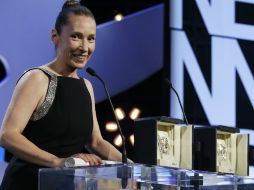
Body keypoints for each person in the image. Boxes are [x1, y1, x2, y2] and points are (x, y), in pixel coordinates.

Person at [0, 1, 127, 189]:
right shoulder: (37, 78)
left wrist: (131, 166)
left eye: (91, 38)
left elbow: (96, 142)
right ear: (55, 36)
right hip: (27, 183)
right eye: (76, 36)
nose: (85, 47)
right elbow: (8, 135)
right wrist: (57, 162)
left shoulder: (87, 86)